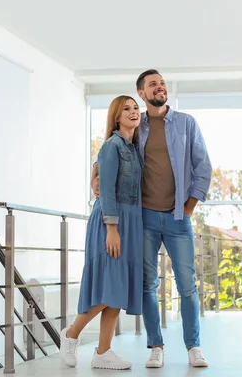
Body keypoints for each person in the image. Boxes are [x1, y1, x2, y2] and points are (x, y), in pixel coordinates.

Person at [91, 69, 212, 368]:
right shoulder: (135, 123)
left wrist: (189, 207)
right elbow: (110, 151)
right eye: (152, 85)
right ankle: (155, 345)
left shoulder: (186, 124)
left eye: (162, 83)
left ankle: (193, 346)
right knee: (147, 285)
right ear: (142, 94)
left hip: (177, 218)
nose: (159, 87)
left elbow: (203, 167)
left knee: (187, 284)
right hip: (143, 218)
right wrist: (93, 174)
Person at [59, 96, 144, 370]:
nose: (133, 112)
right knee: (108, 289)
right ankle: (71, 334)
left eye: (135, 108)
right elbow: (105, 189)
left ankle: (103, 351)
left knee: (117, 290)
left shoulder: (133, 148)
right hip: (112, 221)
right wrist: (112, 228)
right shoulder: (112, 146)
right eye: (126, 109)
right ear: (116, 118)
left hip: (131, 221)